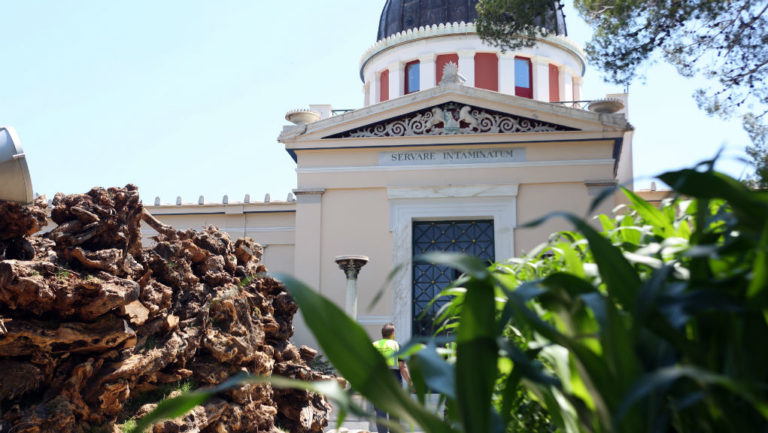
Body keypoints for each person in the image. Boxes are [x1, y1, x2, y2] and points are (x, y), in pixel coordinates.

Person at [372, 322, 412, 433]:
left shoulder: (373, 345)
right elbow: (402, 367)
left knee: (380, 411)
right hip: (393, 378)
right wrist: (410, 382)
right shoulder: (397, 345)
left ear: (382, 334)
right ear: (393, 333)